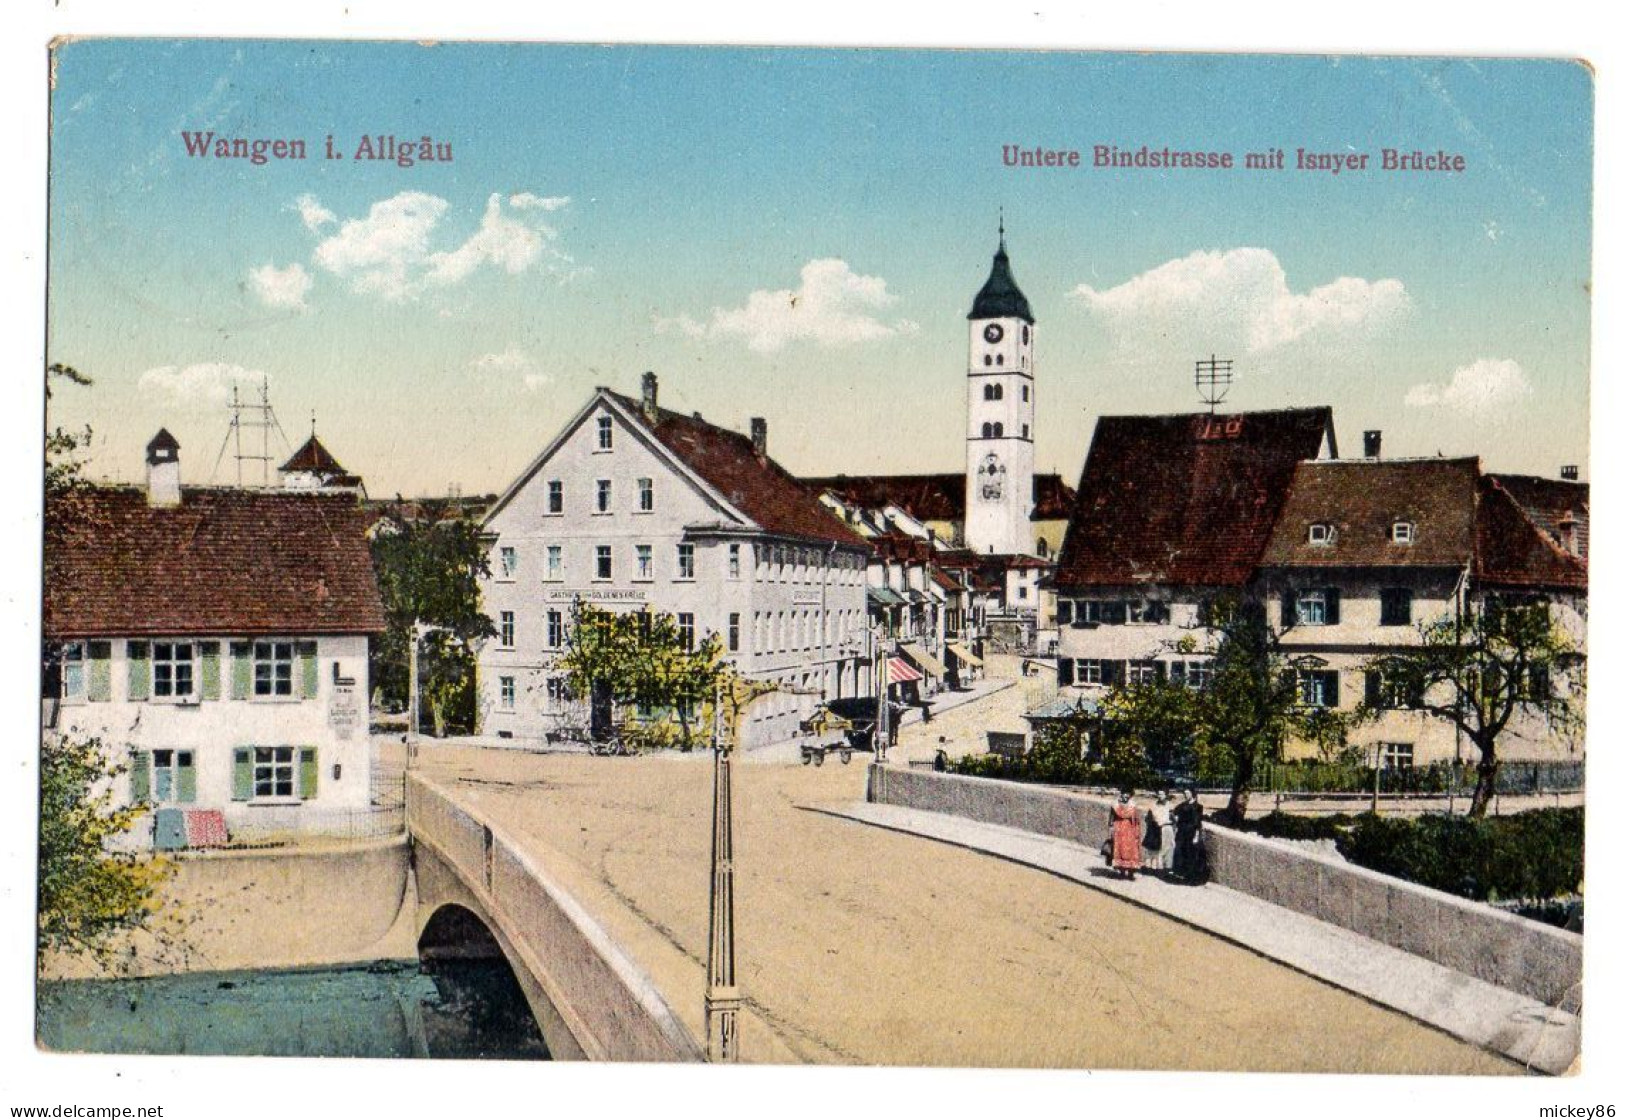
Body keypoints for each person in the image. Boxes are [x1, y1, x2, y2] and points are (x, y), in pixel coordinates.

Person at [1170, 786, 1207, 883]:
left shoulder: (1198, 807)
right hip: (1182, 832)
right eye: (1185, 794)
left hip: (1191, 833)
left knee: (1191, 854)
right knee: (1180, 852)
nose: (1186, 795)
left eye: (1187, 793)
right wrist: (1176, 820)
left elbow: (1198, 823)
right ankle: (1180, 874)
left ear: (1192, 794)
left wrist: (1196, 835)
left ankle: (1190, 876)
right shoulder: (1182, 805)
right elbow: (1173, 813)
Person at [1108, 790, 1143, 879]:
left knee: (1131, 850)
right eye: (1124, 795)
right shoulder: (1115, 805)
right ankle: (1122, 871)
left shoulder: (1132, 806)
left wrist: (1137, 831)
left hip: (1129, 829)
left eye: (1128, 795)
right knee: (1120, 849)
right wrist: (1111, 828)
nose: (1126, 797)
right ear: (1121, 795)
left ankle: (1131, 872)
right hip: (1119, 829)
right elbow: (1111, 818)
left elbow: (1136, 819)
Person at [1142, 792, 1167, 873]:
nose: (1160, 796)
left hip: (1164, 828)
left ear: (1166, 795)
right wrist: (1152, 821)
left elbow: (1172, 818)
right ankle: (1148, 867)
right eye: (1159, 794)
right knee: (1150, 848)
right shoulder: (1153, 805)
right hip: (1153, 829)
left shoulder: (1168, 806)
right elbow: (1147, 818)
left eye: (1162, 794)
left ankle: (1157, 868)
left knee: (1160, 849)